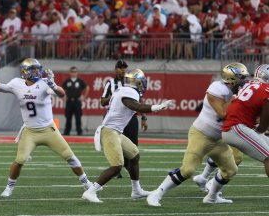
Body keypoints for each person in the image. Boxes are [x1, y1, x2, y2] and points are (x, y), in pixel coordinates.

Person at [146, 63, 249, 207]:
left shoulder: (237, 90)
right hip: (201, 134)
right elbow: (223, 113)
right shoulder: (216, 88)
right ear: (232, 78)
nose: (244, 80)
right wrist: (237, 96)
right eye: (241, 77)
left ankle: (211, 197)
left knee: (231, 170)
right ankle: (157, 193)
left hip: (219, 139)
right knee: (188, 170)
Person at [0, 58, 92, 198]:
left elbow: (61, 94)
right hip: (30, 131)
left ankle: (87, 184)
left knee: (70, 157)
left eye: (38, 68)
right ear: (25, 71)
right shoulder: (17, 83)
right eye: (33, 69)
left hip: (49, 129)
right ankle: (9, 188)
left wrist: (54, 85)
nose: (37, 71)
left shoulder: (44, 83)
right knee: (20, 160)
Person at [82, 69, 174, 203]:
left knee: (134, 155)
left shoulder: (123, 89)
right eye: (142, 82)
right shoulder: (128, 92)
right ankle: (91, 191)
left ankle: (136, 190)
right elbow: (133, 105)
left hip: (116, 131)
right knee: (117, 166)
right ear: (138, 82)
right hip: (109, 131)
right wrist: (157, 107)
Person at [101, 59, 148, 178]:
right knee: (116, 142)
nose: (123, 70)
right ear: (115, 69)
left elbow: (139, 101)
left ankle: (129, 167)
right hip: (116, 119)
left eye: (124, 67)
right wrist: (114, 96)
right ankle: (117, 167)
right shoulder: (110, 83)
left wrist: (144, 117)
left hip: (131, 117)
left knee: (133, 144)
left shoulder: (133, 83)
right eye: (120, 67)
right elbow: (102, 101)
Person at [222, 64, 269, 178]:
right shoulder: (265, 90)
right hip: (236, 127)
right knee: (267, 158)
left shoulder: (249, 84)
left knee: (234, 159)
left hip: (235, 125)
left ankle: (211, 192)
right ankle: (206, 178)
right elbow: (264, 121)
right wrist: (259, 129)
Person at [62, 66, 89, 136]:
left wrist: (84, 97)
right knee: (68, 117)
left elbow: (87, 87)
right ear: (70, 72)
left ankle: (79, 131)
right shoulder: (67, 81)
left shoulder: (80, 81)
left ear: (77, 73)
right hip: (69, 101)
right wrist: (63, 96)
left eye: (75, 72)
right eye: (72, 72)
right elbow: (62, 89)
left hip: (77, 101)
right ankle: (66, 131)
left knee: (78, 117)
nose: (74, 73)